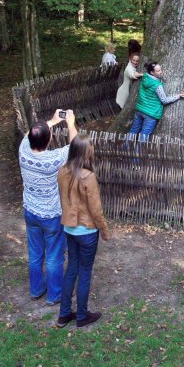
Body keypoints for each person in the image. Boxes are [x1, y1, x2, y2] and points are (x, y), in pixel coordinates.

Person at [19, 109, 78, 306]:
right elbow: (76, 147)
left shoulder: (23, 150)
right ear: (49, 139)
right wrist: (69, 123)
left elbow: (29, 134)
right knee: (54, 256)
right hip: (51, 215)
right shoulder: (54, 159)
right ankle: (55, 295)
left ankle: (36, 290)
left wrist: (51, 122)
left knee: (35, 253)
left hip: (30, 211)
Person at [55, 135, 110, 329]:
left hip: (69, 229)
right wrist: (103, 230)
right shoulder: (88, 176)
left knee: (71, 269)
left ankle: (63, 315)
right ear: (86, 152)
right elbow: (96, 210)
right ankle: (81, 316)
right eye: (91, 148)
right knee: (84, 272)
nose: (93, 150)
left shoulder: (62, 172)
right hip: (87, 231)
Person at [128, 62, 184, 138]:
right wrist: (178, 96)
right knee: (144, 136)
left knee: (133, 131)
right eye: (158, 71)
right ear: (152, 72)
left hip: (140, 110)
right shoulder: (157, 85)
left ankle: (125, 148)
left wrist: (140, 74)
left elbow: (143, 74)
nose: (161, 72)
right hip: (151, 113)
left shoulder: (145, 76)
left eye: (160, 69)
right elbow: (164, 100)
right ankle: (138, 150)